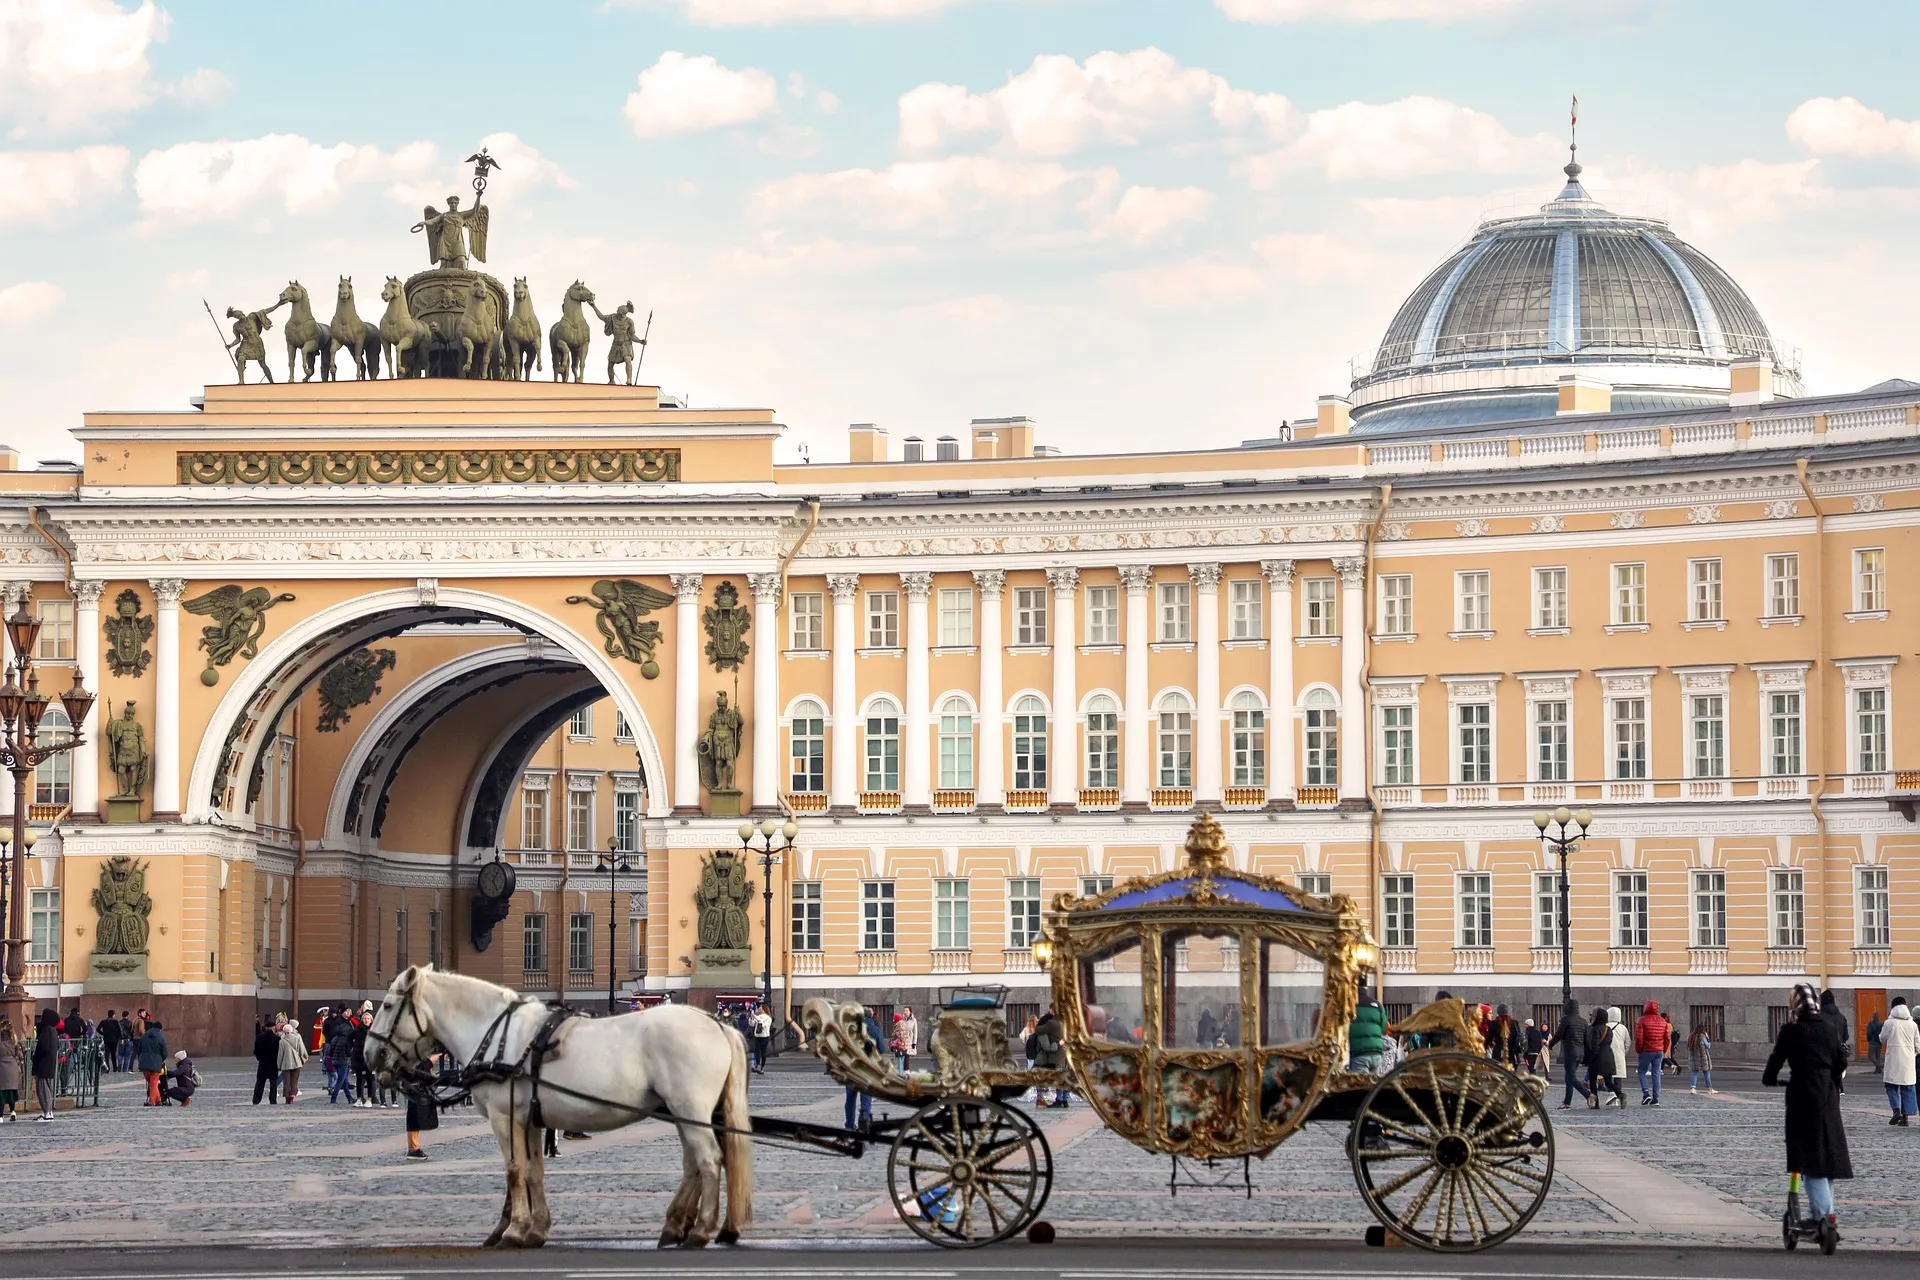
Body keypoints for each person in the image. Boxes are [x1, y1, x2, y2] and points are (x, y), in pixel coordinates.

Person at [1763, 982, 1852, 1235]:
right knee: (1828, 1156)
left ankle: (1822, 1216)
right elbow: (1840, 1062)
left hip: (1803, 1095)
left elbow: (1775, 1061)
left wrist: (1771, 1079)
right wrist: (1831, 1081)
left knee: (1809, 1158)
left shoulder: (1792, 1030)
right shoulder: (1827, 1027)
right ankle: (1827, 1213)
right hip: (1828, 1097)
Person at [1877, 998, 1916, 1126]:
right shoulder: (1912, 1024)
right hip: (1908, 1060)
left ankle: (1896, 1111)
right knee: (1908, 1088)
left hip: (1893, 1059)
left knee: (1891, 1086)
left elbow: (1882, 1038)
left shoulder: (1889, 1023)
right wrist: (1911, 1055)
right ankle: (1905, 1118)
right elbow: (1918, 1045)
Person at [844, 1008, 883, 1132]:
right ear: (871, 1016)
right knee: (866, 1098)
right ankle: (864, 1123)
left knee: (850, 1098)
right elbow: (881, 1049)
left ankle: (849, 1124)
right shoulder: (875, 1030)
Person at [1548, 999, 1590, 1109]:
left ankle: (1588, 1095)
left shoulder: (1566, 1020)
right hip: (1580, 1053)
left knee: (1571, 1078)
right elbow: (1587, 1040)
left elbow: (1558, 1035)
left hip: (1570, 1052)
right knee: (1569, 1077)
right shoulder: (1583, 1021)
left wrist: (1550, 1044)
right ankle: (1567, 1102)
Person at [1031, 1007, 1069, 1107]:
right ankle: (1044, 1100)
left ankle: (1061, 1100)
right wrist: (1059, 1044)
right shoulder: (1043, 1033)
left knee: (1061, 1078)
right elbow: (1047, 1047)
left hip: (1055, 1058)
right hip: (1043, 1060)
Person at [1635, 999, 1670, 1105]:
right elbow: (1667, 1038)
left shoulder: (1642, 1020)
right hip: (1659, 1051)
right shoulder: (1662, 1021)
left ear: (1646, 1008)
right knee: (1656, 1074)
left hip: (1646, 1050)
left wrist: (1639, 1050)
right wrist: (1663, 1049)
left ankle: (1646, 1093)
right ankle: (1656, 1099)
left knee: (1641, 1071)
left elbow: (1639, 1038)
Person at [1349, 985, 1388, 1075]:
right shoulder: (1377, 1005)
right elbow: (1384, 1027)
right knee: (1375, 1086)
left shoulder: (1351, 1006)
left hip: (1359, 1053)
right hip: (1377, 1053)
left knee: (1359, 1087)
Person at [31, 1008, 60, 1122]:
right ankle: (49, 1112)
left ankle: (46, 1113)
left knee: (43, 1090)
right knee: (49, 1088)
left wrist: (36, 1059)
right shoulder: (53, 1031)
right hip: (50, 1063)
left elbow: (42, 1048)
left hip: (44, 1064)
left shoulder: (46, 1030)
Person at [136, 1017, 168, 1106]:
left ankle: (158, 1100)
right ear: (160, 1029)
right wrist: (161, 1059)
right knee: (154, 1083)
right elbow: (164, 1052)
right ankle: (152, 1101)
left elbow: (139, 1050)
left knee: (151, 1083)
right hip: (155, 1064)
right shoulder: (161, 1037)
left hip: (144, 1064)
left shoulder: (144, 1036)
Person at [277, 1014, 309, 1102]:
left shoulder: (282, 1041)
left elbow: (280, 1054)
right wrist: (305, 1056)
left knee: (286, 1082)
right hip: (296, 1062)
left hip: (285, 1064)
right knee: (294, 1081)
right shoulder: (297, 1038)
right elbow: (301, 1049)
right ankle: (292, 1097)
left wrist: (279, 1064)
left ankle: (287, 1098)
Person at [351, 1003, 377, 1107]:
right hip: (358, 1057)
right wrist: (350, 1049)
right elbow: (349, 1038)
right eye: (364, 1018)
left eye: (368, 1018)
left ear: (371, 1020)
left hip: (370, 1058)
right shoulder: (357, 1030)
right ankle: (359, 1098)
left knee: (370, 1079)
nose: (366, 1020)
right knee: (359, 1079)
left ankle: (370, 1099)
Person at [251, 1017, 280, 1104]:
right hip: (273, 1063)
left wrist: (260, 1058)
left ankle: (256, 1100)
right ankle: (272, 1100)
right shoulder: (277, 1038)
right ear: (273, 1027)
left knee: (260, 1083)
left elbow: (256, 1051)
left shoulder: (259, 1037)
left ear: (266, 1027)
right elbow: (279, 1052)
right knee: (273, 1083)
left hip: (263, 1063)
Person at [1687, 1023, 1717, 1094]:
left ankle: (1693, 1088)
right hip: (1703, 1057)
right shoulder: (1702, 1037)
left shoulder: (1691, 1036)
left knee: (1694, 1073)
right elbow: (1708, 1045)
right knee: (1706, 1072)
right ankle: (1710, 1089)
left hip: (1694, 1058)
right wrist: (1707, 1037)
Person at [750, 1004, 772, 1073]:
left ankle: (762, 1067)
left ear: (763, 1010)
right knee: (757, 1052)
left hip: (764, 1037)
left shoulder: (768, 1018)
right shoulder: (758, 1017)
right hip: (757, 1036)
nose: (759, 1010)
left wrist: (755, 1017)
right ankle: (757, 1065)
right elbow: (752, 1024)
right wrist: (752, 1018)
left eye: (760, 1009)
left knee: (763, 1053)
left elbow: (763, 1024)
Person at [1865, 1008, 1884, 1074]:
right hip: (1879, 1042)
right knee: (1877, 1056)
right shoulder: (1881, 1024)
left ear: (1873, 1017)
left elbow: (1869, 1033)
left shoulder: (1870, 1024)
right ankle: (1878, 1070)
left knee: (1871, 1056)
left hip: (1873, 1042)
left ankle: (1880, 1066)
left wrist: (1869, 1039)